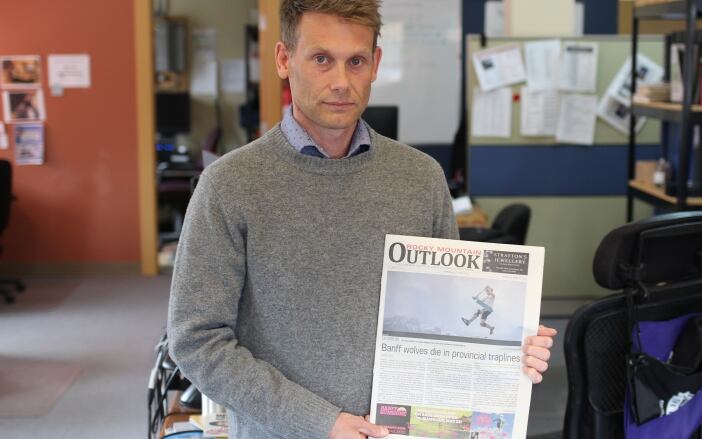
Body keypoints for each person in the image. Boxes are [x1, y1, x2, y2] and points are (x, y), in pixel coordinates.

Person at [167, 1, 556, 438]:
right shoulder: (229, 185)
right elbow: (197, 340)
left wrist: (501, 350)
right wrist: (320, 423)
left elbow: (449, 319)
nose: (340, 82)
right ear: (283, 59)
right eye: (321, 59)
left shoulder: (420, 178)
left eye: (356, 61)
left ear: (376, 64)